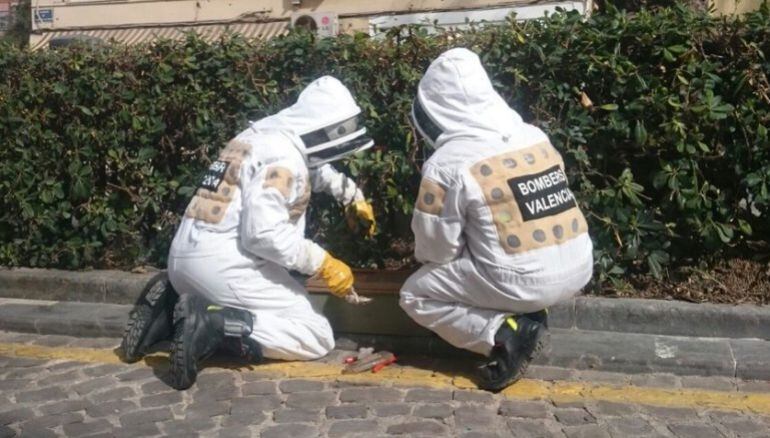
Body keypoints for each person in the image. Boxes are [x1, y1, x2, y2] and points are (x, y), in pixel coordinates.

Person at [121, 76, 376, 390]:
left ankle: (171, 306)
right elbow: (264, 235)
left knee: (278, 303)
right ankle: (212, 324)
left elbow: (314, 169)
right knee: (314, 334)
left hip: (184, 261)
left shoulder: (263, 137)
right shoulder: (284, 158)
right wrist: (323, 262)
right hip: (226, 266)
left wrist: (351, 196)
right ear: (325, 127)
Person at [399, 48, 593, 392]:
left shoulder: (448, 162)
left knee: (415, 294)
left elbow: (436, 247)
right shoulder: (534, 135)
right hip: (580, 265)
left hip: (523, 281)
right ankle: (525, 311)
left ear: (434, 108)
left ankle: (502, 333)